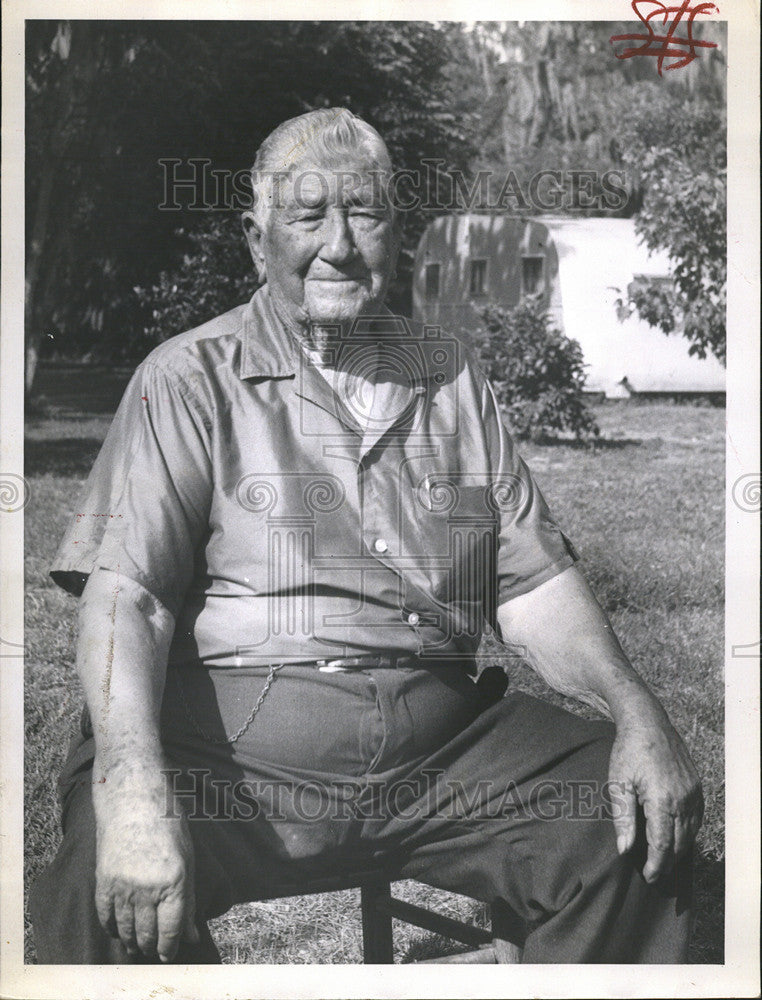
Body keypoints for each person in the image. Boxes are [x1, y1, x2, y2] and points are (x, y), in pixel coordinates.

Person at [30, 108, 703, 965]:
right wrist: (130, 789)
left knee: (629, 822)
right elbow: (130, 600)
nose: (340, 245)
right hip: (241, 747)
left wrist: (636, 709)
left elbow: (526, 586)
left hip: (444, 747)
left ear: (397, 229)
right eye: (310, 216)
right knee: (105, 866)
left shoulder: (447, 375)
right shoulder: (191, 378)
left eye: (367, 214)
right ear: (256, 238)